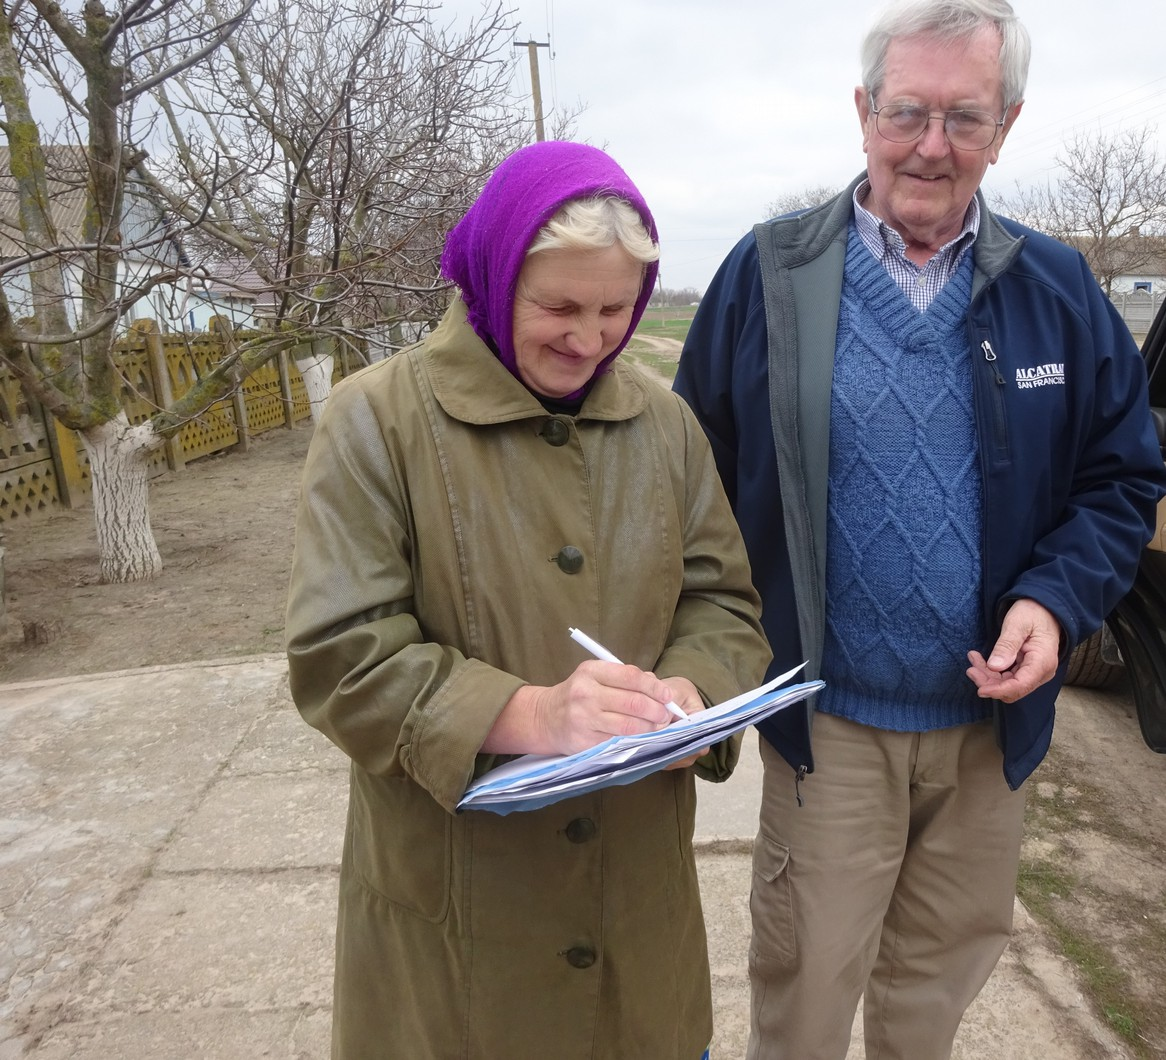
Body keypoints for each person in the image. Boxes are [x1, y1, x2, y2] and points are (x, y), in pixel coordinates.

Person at [673, 1, 1166, 1058]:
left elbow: (1120, 476)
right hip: (830, 720)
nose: (930, 145)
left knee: (933, 991)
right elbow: (686, 481)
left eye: (963, 117)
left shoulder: (1059, 289)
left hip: (987, 731)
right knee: (804, 990)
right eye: (906, 111)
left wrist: (1052, 597)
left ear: (1006, 123)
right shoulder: (768, 274)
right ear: (861, 113)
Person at [285, 140, 772, 1059]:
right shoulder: (375, 420)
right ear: (493, 274)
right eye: (558, 306)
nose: (589, 339)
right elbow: (340, 655)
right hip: (458, 932)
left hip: (637, 916)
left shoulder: (663, 425)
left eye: (615, 309)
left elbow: (722, 604)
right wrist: (535, 713)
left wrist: (692, 696)